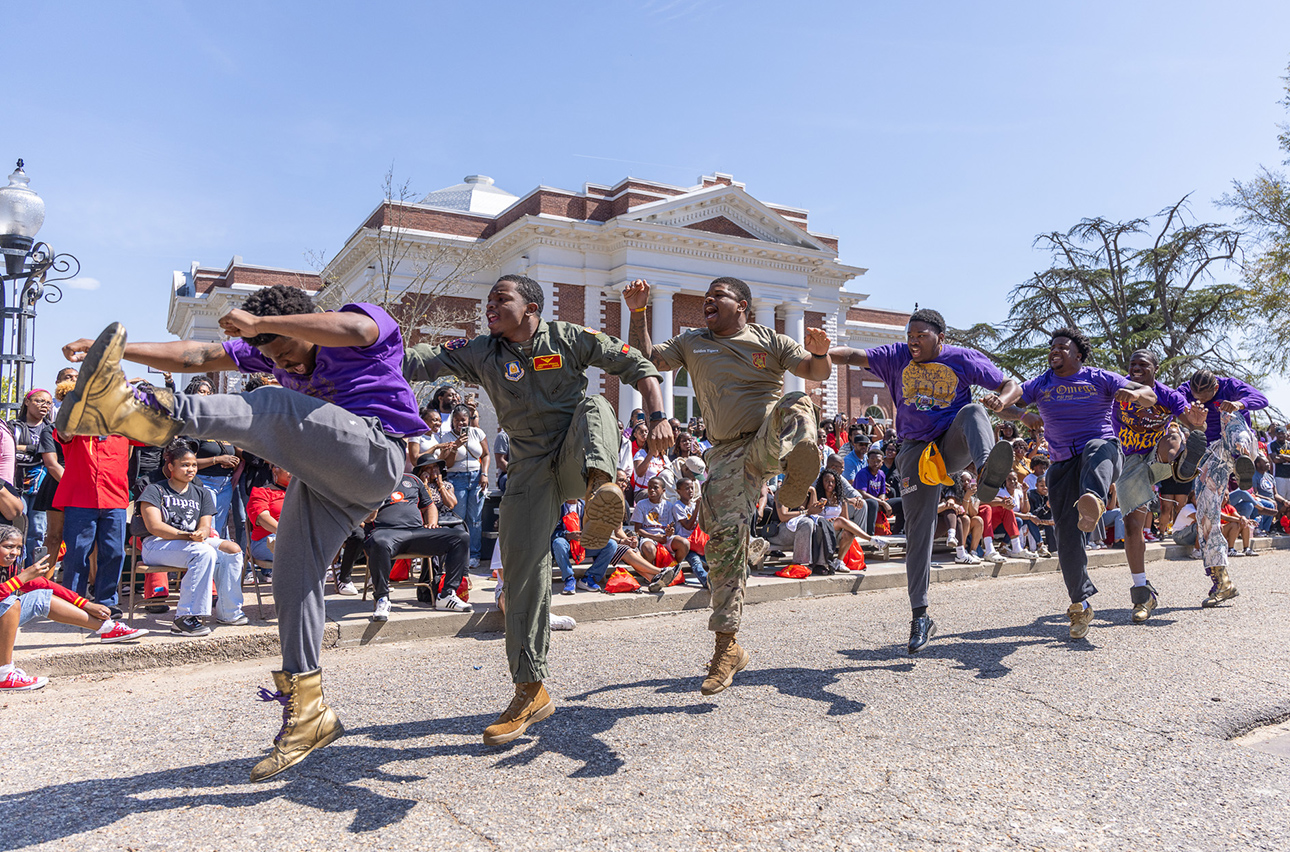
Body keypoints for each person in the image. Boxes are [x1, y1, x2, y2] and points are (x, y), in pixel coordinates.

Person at [58, 283, 425, 781]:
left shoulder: (362, 326)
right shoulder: (269, 352)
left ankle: (134, 411)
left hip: (374, 453)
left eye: (289, 352)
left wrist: (258, 330)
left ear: (305, 323)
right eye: (274, 355)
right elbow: (198, 355)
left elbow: (355, 328)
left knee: (270, 402)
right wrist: (118, 350)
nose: (289, 364)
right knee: (293, 581)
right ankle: (309, 711)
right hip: (326, 479)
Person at [403, 273, 671, 745]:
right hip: (528, 467)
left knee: (595, 405)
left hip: (574, 452)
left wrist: (656, 415)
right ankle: (531, 689)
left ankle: (601, 492)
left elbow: (638, 366)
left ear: (530, 307)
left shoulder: (567, 337)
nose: (489, 306)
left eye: (499, 299)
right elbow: (418, 361)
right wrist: (348, 354)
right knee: (523, 569)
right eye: (488, 299)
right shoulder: (482, 351)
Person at [626, 276, 829, 694]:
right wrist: (638, 312)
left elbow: (814, 371)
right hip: (724, 455)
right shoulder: (691, 341)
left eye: (718, 296)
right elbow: (646, 359)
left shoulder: (769, 339)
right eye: (706, 297)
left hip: (765, 440)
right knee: (723, 547)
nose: (708, 302)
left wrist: (822, 351)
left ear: (743, 307)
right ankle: (727, 647)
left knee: (797, 401)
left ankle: (797, 468)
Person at [830, 307, 1019, 653]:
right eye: (910, 336)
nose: (913, 341)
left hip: (950, 445)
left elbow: (1011, 384)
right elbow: (853, 355)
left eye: (921, 336)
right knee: (919, 531)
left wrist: (1002, 399)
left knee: (974, 411)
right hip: (915, 452)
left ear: (941, 338)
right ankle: (920, 615)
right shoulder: (896, 356)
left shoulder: (963, 359)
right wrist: (819, 351)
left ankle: (988, 469)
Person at [1001, 328, 1156, 640]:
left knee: (1096, 448)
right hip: (1061, 463)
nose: (1055, 351)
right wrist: (1021, 414)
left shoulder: (1100, 377)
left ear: (1079, 355)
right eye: (1052, 347)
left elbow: (1149, 394)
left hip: (1103, 453)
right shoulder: (1041, 383)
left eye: (1062, 347)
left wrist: (1136, 395)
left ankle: (1094, 499)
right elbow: (1009, 402)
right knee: (1067, 538)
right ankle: (1080, 604)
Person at [1110, 349, 1206, 623]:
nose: (1136, 368)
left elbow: (1187, 417)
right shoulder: (1119, 387)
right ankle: (1143, 593)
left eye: (1143, 364)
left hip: (1158, 454)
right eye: (1133, 364)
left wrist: (1197, 424)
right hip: (1129, 461)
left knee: (1174, 433)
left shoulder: (1167, 394)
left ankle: (1182, 466)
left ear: (1155, 368)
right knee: (1131, 527)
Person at [1, 532, 146, 691]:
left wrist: (85, 604)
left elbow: (41, 584)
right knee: (11, 603)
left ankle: (106, 628)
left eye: (18, 548)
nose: (14, 552)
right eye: (8, 547)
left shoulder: (11, 566)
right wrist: (22, 578)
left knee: (41, 597)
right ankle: (4, 674)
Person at [138, 439, 247, 636]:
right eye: (185, 465)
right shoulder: (155, 489)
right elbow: (154, 527)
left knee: (232, 550)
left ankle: (228, 611)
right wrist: (186, 535)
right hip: (157, 545)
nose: (191, 469)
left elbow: (205, 525)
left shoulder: (201, 493)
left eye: (194, 465)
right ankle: (185, 618)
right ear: (171, 466)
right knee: (203, 553)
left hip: (190, 542)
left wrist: (201, 533)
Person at [1178, 369, 1266, 607]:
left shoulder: (1230, 385)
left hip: (1241, 443)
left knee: (1228, 413)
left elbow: (1262, 399)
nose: (1201, 400)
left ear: (1215, 387)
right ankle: (1222, 581)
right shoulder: (1186, 390)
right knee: (1206, 514)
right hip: (1212, 451)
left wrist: (1238, 402)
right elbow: (1171, 402)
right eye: (1196, 395)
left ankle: (1241, 461)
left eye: (1205, 395)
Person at [364, 455, 472, 621]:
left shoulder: (413, 479)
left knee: (460, 537)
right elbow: (368, 519)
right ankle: (382, 598)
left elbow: (429, 505)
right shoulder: (373, 481)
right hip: (386, 533)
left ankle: (446, 595)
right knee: (379, 542)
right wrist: (377, 496)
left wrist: (432, 523)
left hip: (416, 531)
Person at [437, 403, 489, 568]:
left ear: (469, 420)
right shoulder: (446, 437)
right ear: (452, 421)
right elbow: (448, 464)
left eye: (464, 420)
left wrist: (485, 473)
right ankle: (458, 554)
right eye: (457, 420)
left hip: (476, 478)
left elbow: (486, 455)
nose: (460, 424)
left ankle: (474, 554)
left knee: (475, 519)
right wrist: (456, 446)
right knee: (458, 518)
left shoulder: (477, 433)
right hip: (456, 478)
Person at [11, 389, 54, 566]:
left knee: (37, 531)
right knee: (16, 529)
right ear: (27, 402)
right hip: (16, 485)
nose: (44, 405)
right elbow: (8, 450)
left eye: (48, 403)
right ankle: (13, 573)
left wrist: (24, 448)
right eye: (39, 401)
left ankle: (32, 575)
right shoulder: (12, 426)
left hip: (41, 487)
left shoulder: (52, 429)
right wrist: (37, 450)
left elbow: (53, 455)